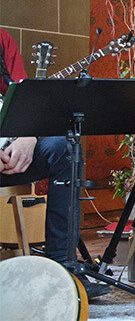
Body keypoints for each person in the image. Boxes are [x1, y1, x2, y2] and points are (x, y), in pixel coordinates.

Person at [0, 27, 110, 298]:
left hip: (6, 150)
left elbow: (25, 98)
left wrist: (29, 134)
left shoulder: (2, 39)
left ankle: (62, 269)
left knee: (64, 148)